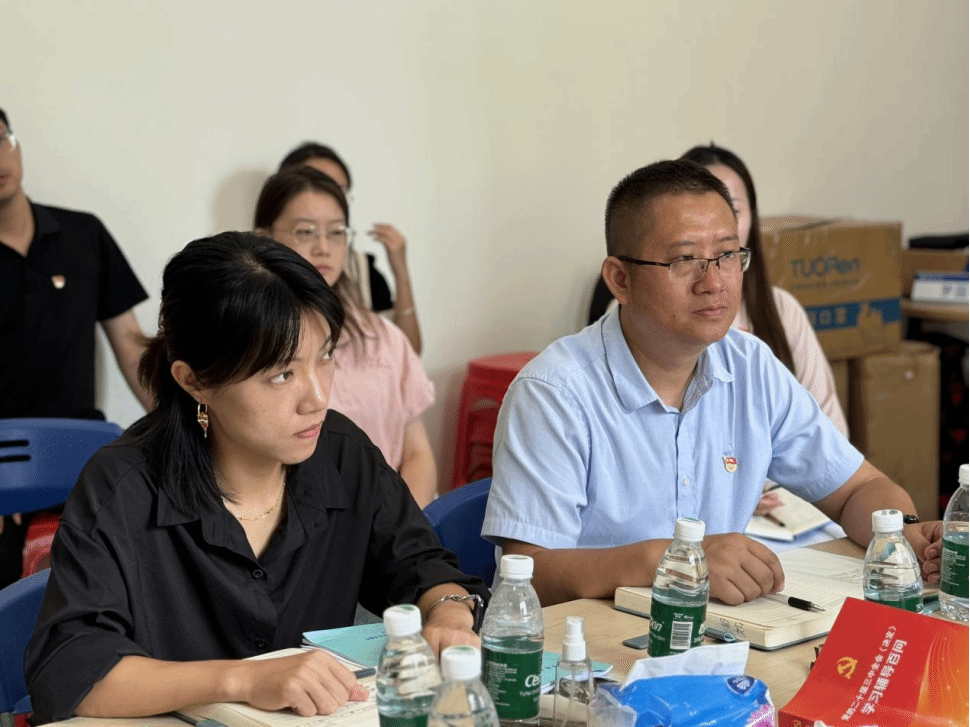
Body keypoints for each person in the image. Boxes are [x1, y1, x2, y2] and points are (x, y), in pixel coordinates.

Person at [24, 232, 488, 722]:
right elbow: (70, 672)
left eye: (325, 356)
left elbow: (421, 565)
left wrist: (449, 613)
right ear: (194, 380)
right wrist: (243, 679)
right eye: (282, 375)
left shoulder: (341, 453)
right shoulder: (122, 486)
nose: (317, 397)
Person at [480, 160, 944, 607]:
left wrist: (901, 532)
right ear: (620, 280)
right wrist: (671, 560)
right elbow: (531, 573)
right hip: (592, 646)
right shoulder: (554, 392)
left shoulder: (750, 366)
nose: (714, 282)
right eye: (685, 260)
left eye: (727, 255)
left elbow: (858, 488)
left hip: (721, 632)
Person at [0, 106, 151, 588]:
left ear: (16, 143)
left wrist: (189, 426)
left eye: (1, 140)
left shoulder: (84, 235)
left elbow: (132, 346)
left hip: (82, 463)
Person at [255, 167, 437, 507]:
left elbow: (417, 453)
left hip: (389, 521)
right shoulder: (250, 344)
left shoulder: (383, 336)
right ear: (264, 237)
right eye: (305, 231)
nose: (323, 247)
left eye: (336, 232)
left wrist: (403, 525)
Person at [279, 142, 423, 354]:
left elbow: (407, 355)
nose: (323, 249)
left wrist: (400, 270)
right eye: (305, 231)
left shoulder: (362, 270)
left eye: (340, 191)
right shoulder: (255, 280)